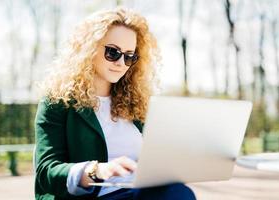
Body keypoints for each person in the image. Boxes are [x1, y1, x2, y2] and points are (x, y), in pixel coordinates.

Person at [34, 7, 196, 200]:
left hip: (141, 192)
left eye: (129, 56)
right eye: (113, 52)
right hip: (96, 196)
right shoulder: (57, 102)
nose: (121, 63)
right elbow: (46, 171)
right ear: (89, 49)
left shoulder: (138, 103)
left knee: (178, 192)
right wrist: (97, 170)